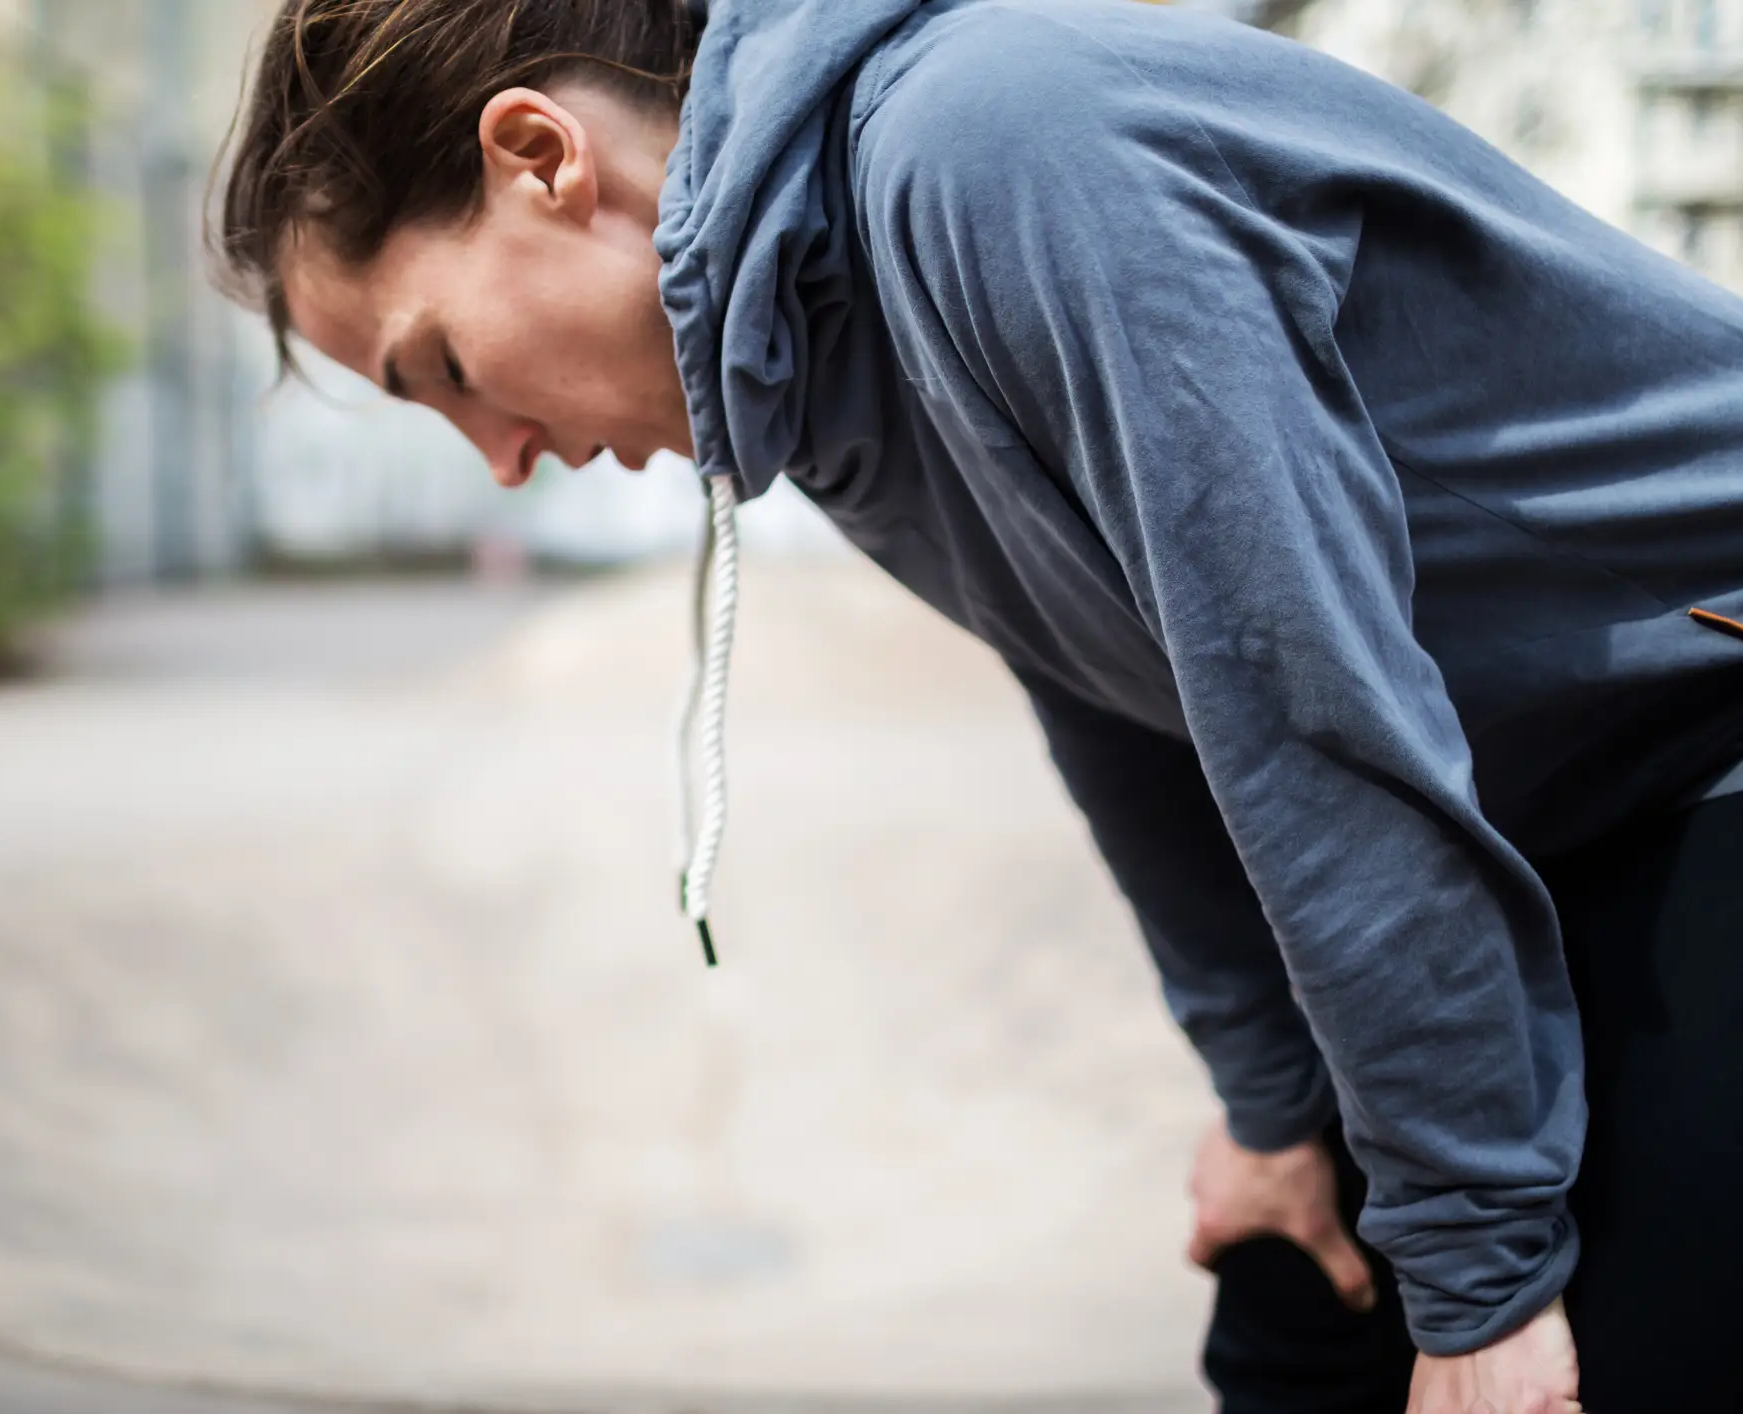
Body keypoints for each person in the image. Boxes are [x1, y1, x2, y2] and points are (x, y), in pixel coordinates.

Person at [216, 2, 1743, 1409]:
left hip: (1701, 719)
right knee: (1293, 1326)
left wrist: (1479, 1278)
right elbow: (1123, 695)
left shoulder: (1000, 148)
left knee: (1582, 1350)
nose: (496, 458)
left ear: (541, 158)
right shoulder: (803, 337)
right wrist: (1274, 1104)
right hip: (1546, 799)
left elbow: (1305, 699)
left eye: (447, 367)